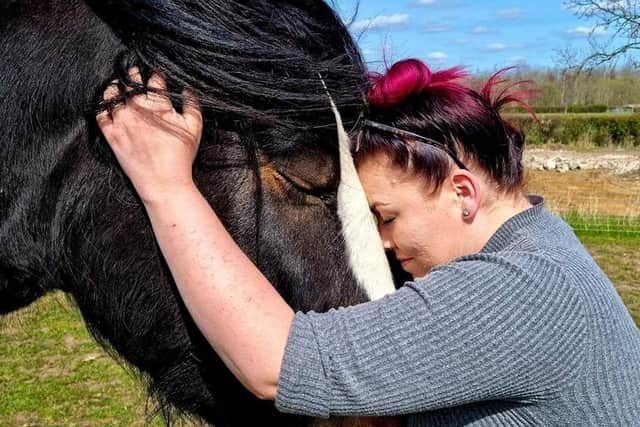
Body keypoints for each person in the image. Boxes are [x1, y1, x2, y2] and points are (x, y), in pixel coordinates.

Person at [96, 59, 640, 425]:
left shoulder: (520, 291)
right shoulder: (544, 245)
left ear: (462, 193)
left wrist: (165, 186)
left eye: (387, 216)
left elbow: (277, 364)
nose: (381, 243)